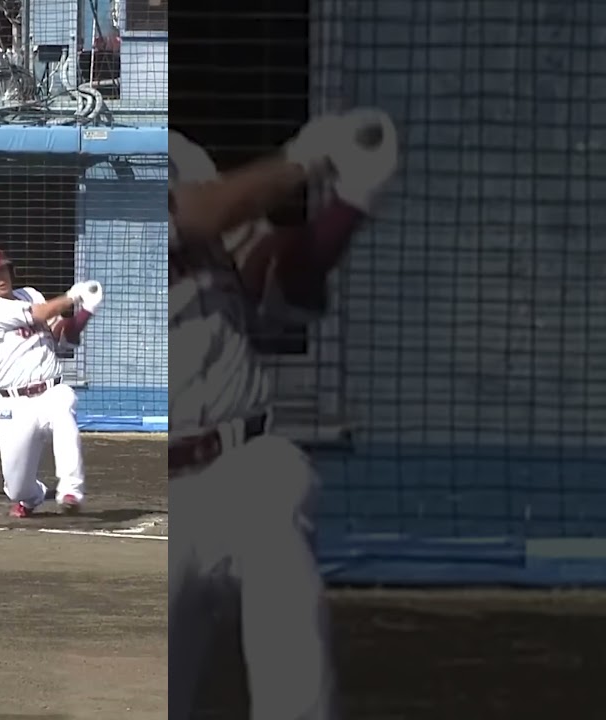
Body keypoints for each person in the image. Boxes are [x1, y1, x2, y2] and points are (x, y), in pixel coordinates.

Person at [168, 109, 399, 720]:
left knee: (280, 556)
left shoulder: (183, 152)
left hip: (241, 457)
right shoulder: (110, 161)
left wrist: (349, 206)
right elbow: (195, 215)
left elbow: (274, 275)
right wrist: (306, 156)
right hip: (159, 491)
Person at [0, 246, 101, 517]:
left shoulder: (30, 294)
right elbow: (39, 314)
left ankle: (70, 490)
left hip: (51, 389)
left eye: (2, 270)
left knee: (63, 410)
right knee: (17, 488)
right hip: (13, 403)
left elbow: (63, 336)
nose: (0, 277)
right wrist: (73, 295)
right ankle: (31, 497)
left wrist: (86, 311)